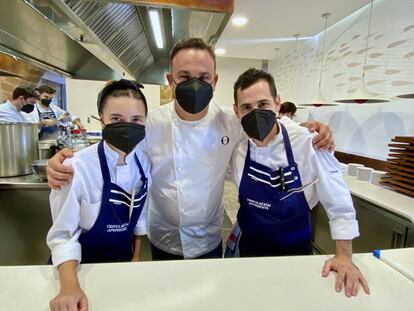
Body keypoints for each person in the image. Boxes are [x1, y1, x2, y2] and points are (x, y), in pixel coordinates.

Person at [46, 38, 334, 261]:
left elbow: (272, 128)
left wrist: (314, 129)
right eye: (184, 77)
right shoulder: (151, 124)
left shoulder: (230, 123)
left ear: (215, 81)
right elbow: (114, 152)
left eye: (204, 77)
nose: (194, 85)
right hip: (162, 239)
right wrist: (63, 164)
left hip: (208, 239)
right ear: (170, 80)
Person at [228, 68, 369, 297]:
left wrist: (344, 256)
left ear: (277, 104)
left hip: (295, 251)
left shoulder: (308, 143)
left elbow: (339, 201)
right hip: (249, 250)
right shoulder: (237, 147)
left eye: (263, 104)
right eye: (246, 107)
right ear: (236, 111)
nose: (256, 113)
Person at [47, 80, 151, 311]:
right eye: (116, 119)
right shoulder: (76, 167)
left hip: (122, 268)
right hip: (78, 272)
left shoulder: (143, 162)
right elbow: (63, 236)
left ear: (145, 120)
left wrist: (135, 260)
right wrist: (70, 287)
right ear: (101, 119)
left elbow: (138, 219)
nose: (127, 126)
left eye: (136, 120)